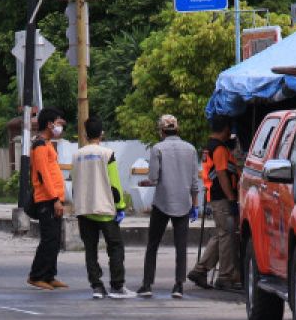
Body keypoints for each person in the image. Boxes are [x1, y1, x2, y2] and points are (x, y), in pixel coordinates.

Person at [137, 114, 201, 299]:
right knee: (181, 246)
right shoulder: (190, 149)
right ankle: (179, 285)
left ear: (162, 131)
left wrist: (144, 183)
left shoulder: (158, 149)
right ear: (177, 129)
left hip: (162, 203)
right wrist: (195, 205)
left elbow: (154, 179)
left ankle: (147, 284)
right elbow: (194, 182)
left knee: (153, 244)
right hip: (183, 203)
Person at [70, 116, 131, 299]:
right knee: (115, 248)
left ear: (85, 134)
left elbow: (75, 183)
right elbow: (115, 183)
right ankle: (117, 286)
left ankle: (96, 286)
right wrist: (120, 206)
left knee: (91, 249)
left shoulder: (77, 155)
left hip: (84, 209)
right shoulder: (107, 154)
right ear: (101, 133)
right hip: (105, 210)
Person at [188, 115, 241, 290]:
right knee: (226, 236)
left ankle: (200, 270)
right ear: (226, 129)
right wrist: (232, 198)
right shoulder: (218, 148)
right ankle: (225, 276)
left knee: (222, 234)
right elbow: (221, 174)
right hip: (222, 197)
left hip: (215, 196)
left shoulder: (209, 147)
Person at [27, 106, 69, 290]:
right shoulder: (40, 146)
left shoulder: (48, 144)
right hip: (47, 199)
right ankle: (36, 275)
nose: (62, 127)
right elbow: (43, 175)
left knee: (55, 239)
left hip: (53, 198)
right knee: (49, 239)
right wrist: (55, 200)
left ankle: (49, 275)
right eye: (59, 123)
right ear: (49, 124)